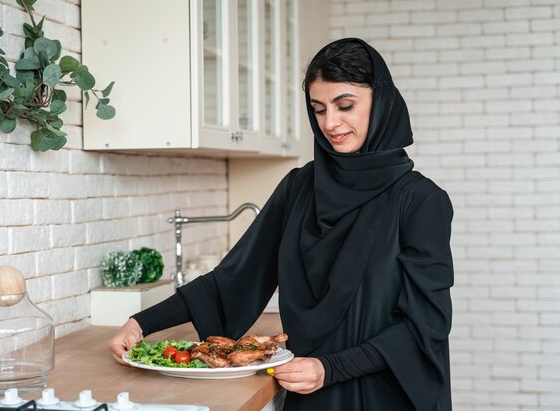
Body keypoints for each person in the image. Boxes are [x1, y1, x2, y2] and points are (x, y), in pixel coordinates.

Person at [109, 38, 454, 411]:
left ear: (381, 102)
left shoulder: (421, 201)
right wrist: (140, 323)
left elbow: (426, 324)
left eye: (345, 106)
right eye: (318, 109)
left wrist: (330, 368)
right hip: (309, 389)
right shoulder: (299, 188)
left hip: (381, 394)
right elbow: (237, 277)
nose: (330, 123)